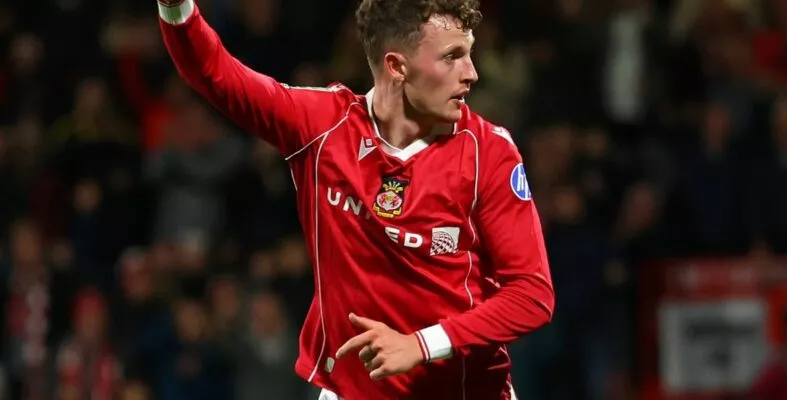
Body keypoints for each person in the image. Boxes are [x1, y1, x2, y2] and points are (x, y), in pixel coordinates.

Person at [156, 0, 555, 398]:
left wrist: (421, 344)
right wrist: (174, 7)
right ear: (396, 66)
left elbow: (532, 295)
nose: (471, 73)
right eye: (452, 56)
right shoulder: (323, 127)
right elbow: (214, 72)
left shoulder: (488, 152)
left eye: (469, 54)